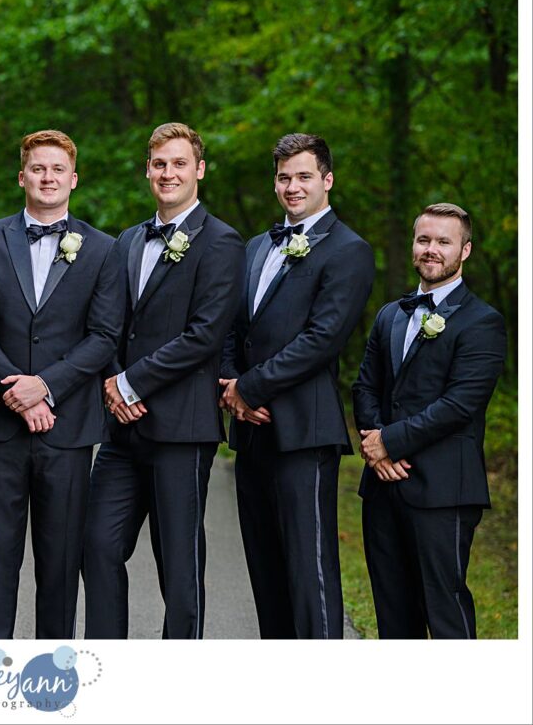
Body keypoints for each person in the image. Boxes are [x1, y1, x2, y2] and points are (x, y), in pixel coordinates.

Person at [0, 130, 122, 639]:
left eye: (57, 170)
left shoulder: (103, 249)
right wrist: (19, 394)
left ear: (74, 179)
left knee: (60, 564)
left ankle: (53, 671)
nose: (47, 178)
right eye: (37, 169)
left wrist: (46, 386)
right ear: (21, 176)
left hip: (67, 430)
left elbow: (104, 335)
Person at [82, 123, 244, 639]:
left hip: (182, 429)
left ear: (199, 170)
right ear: (147, 171)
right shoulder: (128, 240)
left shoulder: (221, 242)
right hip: (122, 432)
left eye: (178, 163)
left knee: (179, 563)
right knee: (97, 545)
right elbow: (107, 325)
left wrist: (130, 383)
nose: (167, 173)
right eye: (159, 164)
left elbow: (204, 335)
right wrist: (112, 381)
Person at [220, 132, 374, 639]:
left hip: (304, 432)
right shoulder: (256, 246)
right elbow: (232, 327)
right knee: (265, 572)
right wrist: (231, 386)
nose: (293, 186)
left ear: (327, 180)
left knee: (310, 574)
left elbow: (321, 340)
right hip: (251, 432)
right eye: (284, 177)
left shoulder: (349, 250)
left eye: (304, 176)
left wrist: (251, 388)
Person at [352, 203, 506, 638]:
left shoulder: (483, 322)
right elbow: (365, 387)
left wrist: (389, 443)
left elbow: (460, 405)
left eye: (443, 242)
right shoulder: (390, 314)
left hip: (443, 491)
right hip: (382, 490)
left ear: (465, 250)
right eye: (424, 240)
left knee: (445, 613)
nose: (431, 249)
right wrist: (376, 448)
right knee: (393, 617)